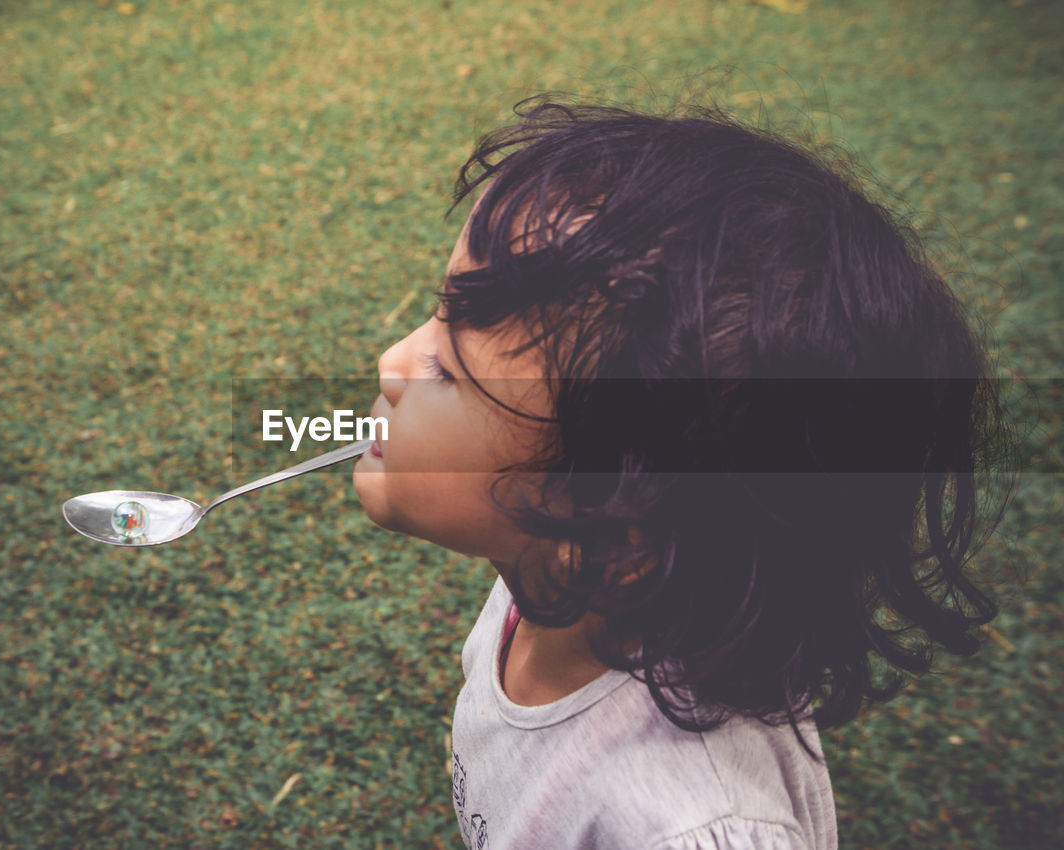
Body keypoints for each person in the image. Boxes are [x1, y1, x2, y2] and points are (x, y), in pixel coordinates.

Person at [352, 99, 1010, 849]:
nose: (394, 365)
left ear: (619, 528)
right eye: (441, 316)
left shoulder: (685, 827)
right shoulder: (551, 573)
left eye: (446, 369)